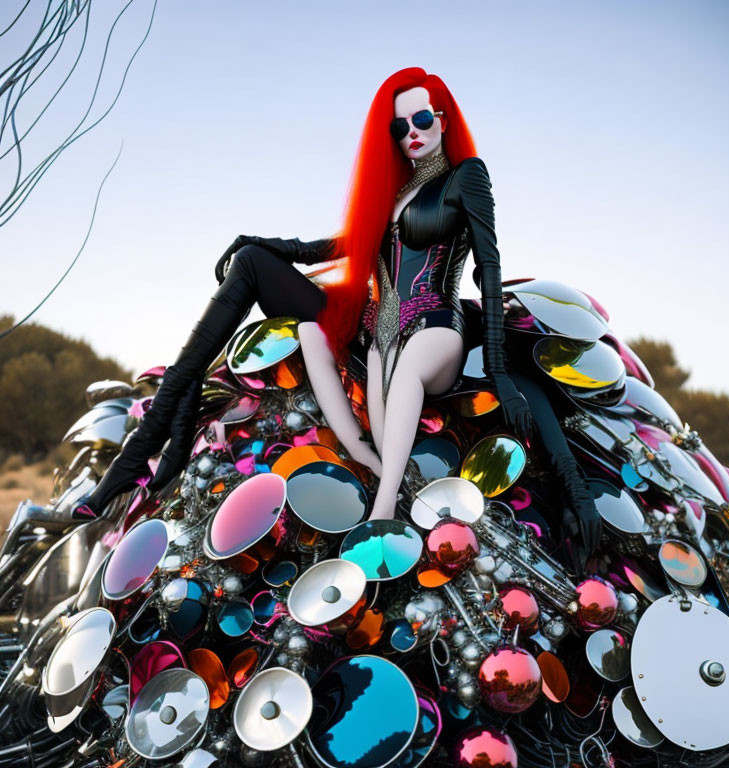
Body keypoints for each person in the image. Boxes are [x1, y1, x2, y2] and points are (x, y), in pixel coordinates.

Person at [72, 67, 600, 567]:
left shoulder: (466, 177)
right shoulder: (395, 190)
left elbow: (490, 265)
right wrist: (267, 243)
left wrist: (504, 374)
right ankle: (148, 447)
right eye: (399, 126)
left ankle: (383, 508)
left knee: (407, 358)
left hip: (436, 328)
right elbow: (345, 243)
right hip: (378, 328)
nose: (411, 132)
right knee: (257, 269)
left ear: (442, 119)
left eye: (421, 119)